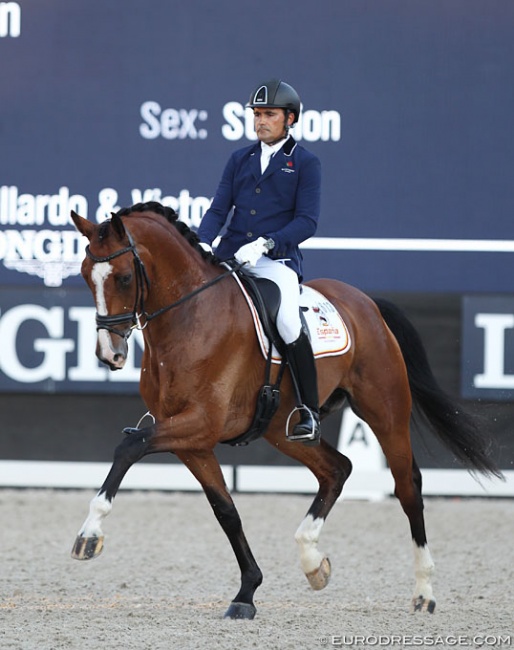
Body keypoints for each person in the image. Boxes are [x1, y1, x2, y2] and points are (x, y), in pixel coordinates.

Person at [197, 78, 321, 444]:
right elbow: (219, 208)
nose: (260, 121)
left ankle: (309, 411)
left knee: (287, 322)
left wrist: (268, 242)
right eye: (257, 114)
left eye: (269, 114)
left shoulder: (305, 163)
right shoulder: (240, 159)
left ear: (290, 119)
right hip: (231, 254)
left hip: (275, 261)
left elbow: (307, 222)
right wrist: (202, 243)